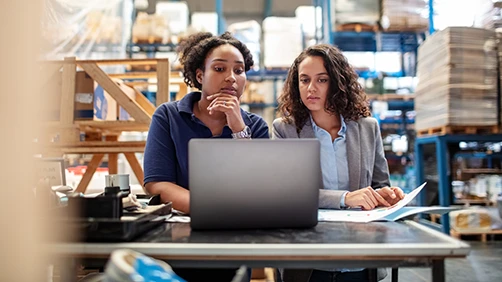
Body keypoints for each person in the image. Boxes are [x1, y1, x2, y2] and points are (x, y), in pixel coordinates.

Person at [272, 44, 405, 282]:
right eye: (304, 80)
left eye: (321, 80)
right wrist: (345, 198)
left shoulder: (367, 127)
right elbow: (286, 195)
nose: (311, 88)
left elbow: (378, 185)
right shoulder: (285, 129)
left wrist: (386, 196)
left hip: (360, 261)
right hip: (308, 264)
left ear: (337, 82)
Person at [143, 31, 269, 282]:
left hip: (234, 240)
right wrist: (209, 210)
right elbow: (157, 182)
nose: (231, 78)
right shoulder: (168, 117)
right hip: (178, 240)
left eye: (239, 70)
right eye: (220, 69)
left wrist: (238, 128)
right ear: (200, 76)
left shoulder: (256, 126)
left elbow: (258, 188)